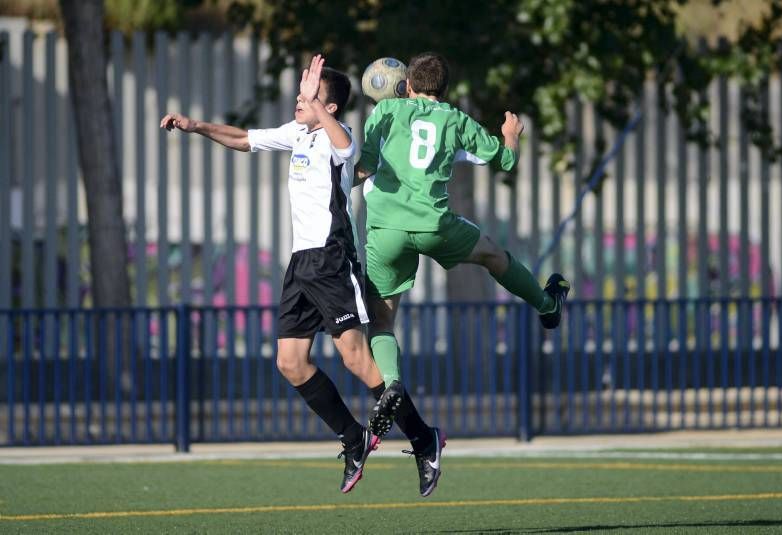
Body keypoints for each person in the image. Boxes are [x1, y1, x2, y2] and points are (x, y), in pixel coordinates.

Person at [160, 55, 382, 494]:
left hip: (331, 257)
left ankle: (420, 434)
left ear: (330, 107)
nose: (300, 99)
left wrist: (318, 106)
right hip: (301, 264)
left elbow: (345, 147)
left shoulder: (341, 138)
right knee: (290, 362)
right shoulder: (297, 133)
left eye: (311, 94)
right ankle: (353, 436)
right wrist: (195, 125)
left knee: (355, 358)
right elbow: (243, 139)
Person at [356, 52, 571, 497]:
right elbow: (503, 161)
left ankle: (392, 385)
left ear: (407, 86)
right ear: (444, 90)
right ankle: (548, 306)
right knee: (494, 254)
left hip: (386, 229)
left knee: (382, 320)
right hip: (434, 226)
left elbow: (364, 167)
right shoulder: (454, 118)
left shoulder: (384, 112)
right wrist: (511, 136)